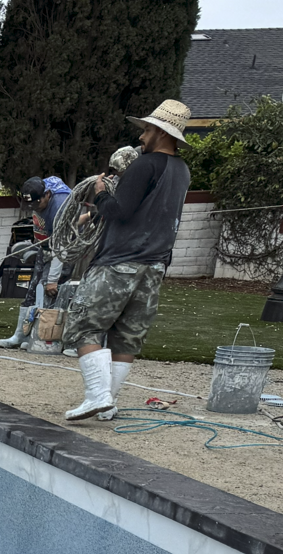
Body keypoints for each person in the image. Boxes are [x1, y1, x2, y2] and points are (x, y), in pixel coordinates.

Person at [65, 100, 192, 421]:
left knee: (83, 325)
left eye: (148, 130)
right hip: (154, 266)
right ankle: (108, 404)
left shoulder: (144, 165)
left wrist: (101, 192)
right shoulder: (182, 171)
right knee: (127, 336)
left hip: (119, 262)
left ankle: (98, 395)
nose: (142, 137)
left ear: (163, 133)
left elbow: (119, 212)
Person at [0, 175, 71, 348]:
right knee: (33, 288)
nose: (35, 208)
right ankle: (21, 335)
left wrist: (53, 279)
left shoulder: (60, 209)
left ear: (47, 195)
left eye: (37, 204)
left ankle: (42, 337)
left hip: (66, 248)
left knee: (48, 291)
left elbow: (61, 248)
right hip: (47, 243)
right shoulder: (38, 189)